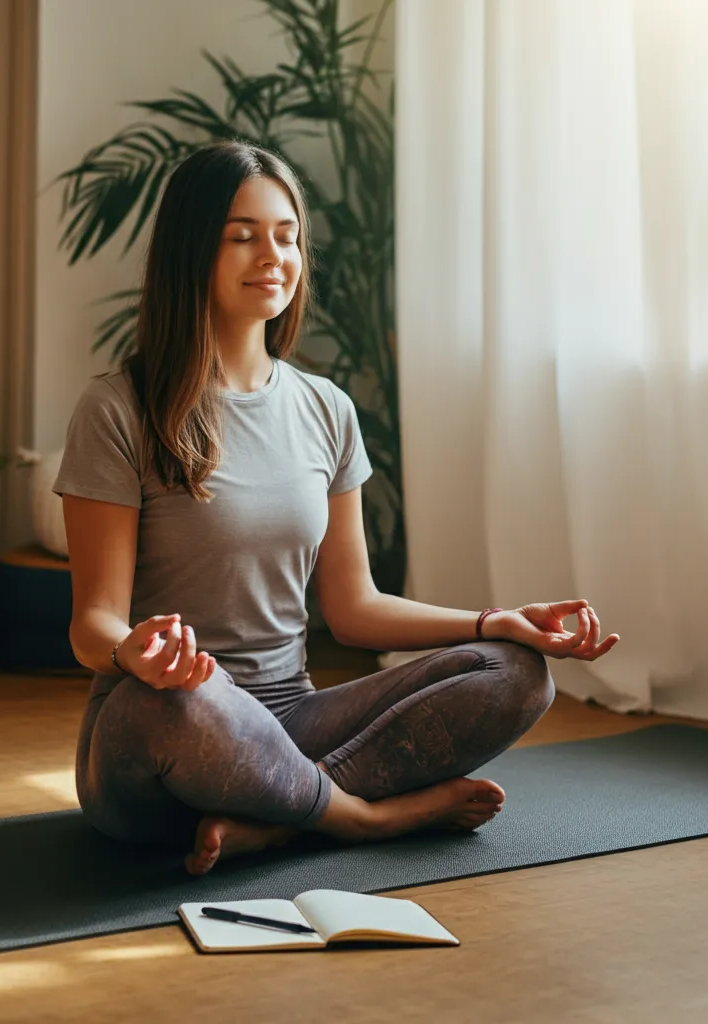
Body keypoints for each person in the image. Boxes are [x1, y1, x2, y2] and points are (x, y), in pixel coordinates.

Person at [54, 141, 620, 877]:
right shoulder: (117, 410)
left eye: (286, 236)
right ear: (192, 251)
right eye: (242, 236)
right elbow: (92, 622)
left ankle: (280, 820)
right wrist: (134, 653)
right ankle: (357, 817)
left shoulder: (326, 408)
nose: (272, 256)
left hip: (293, 723)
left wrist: (491, 622)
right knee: (171, 708)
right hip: (165, 735)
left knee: (518, 672)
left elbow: (353, 607)